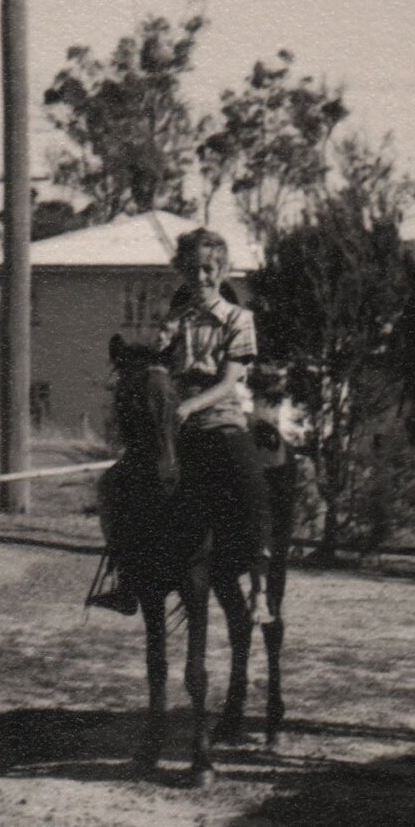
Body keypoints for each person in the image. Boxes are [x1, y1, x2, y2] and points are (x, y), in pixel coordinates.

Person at [88, 228, 272, 620]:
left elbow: (229, 381)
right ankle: (124, 577)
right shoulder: (175, 319)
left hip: (220, 420)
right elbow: (159, 363)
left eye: (208, 269)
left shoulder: (239, 319)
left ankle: (259, 584)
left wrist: (191, 406)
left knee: (250, 479)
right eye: (192, 270)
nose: (201, 278)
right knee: (117, 482)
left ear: (222, 271)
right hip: (176, 424)